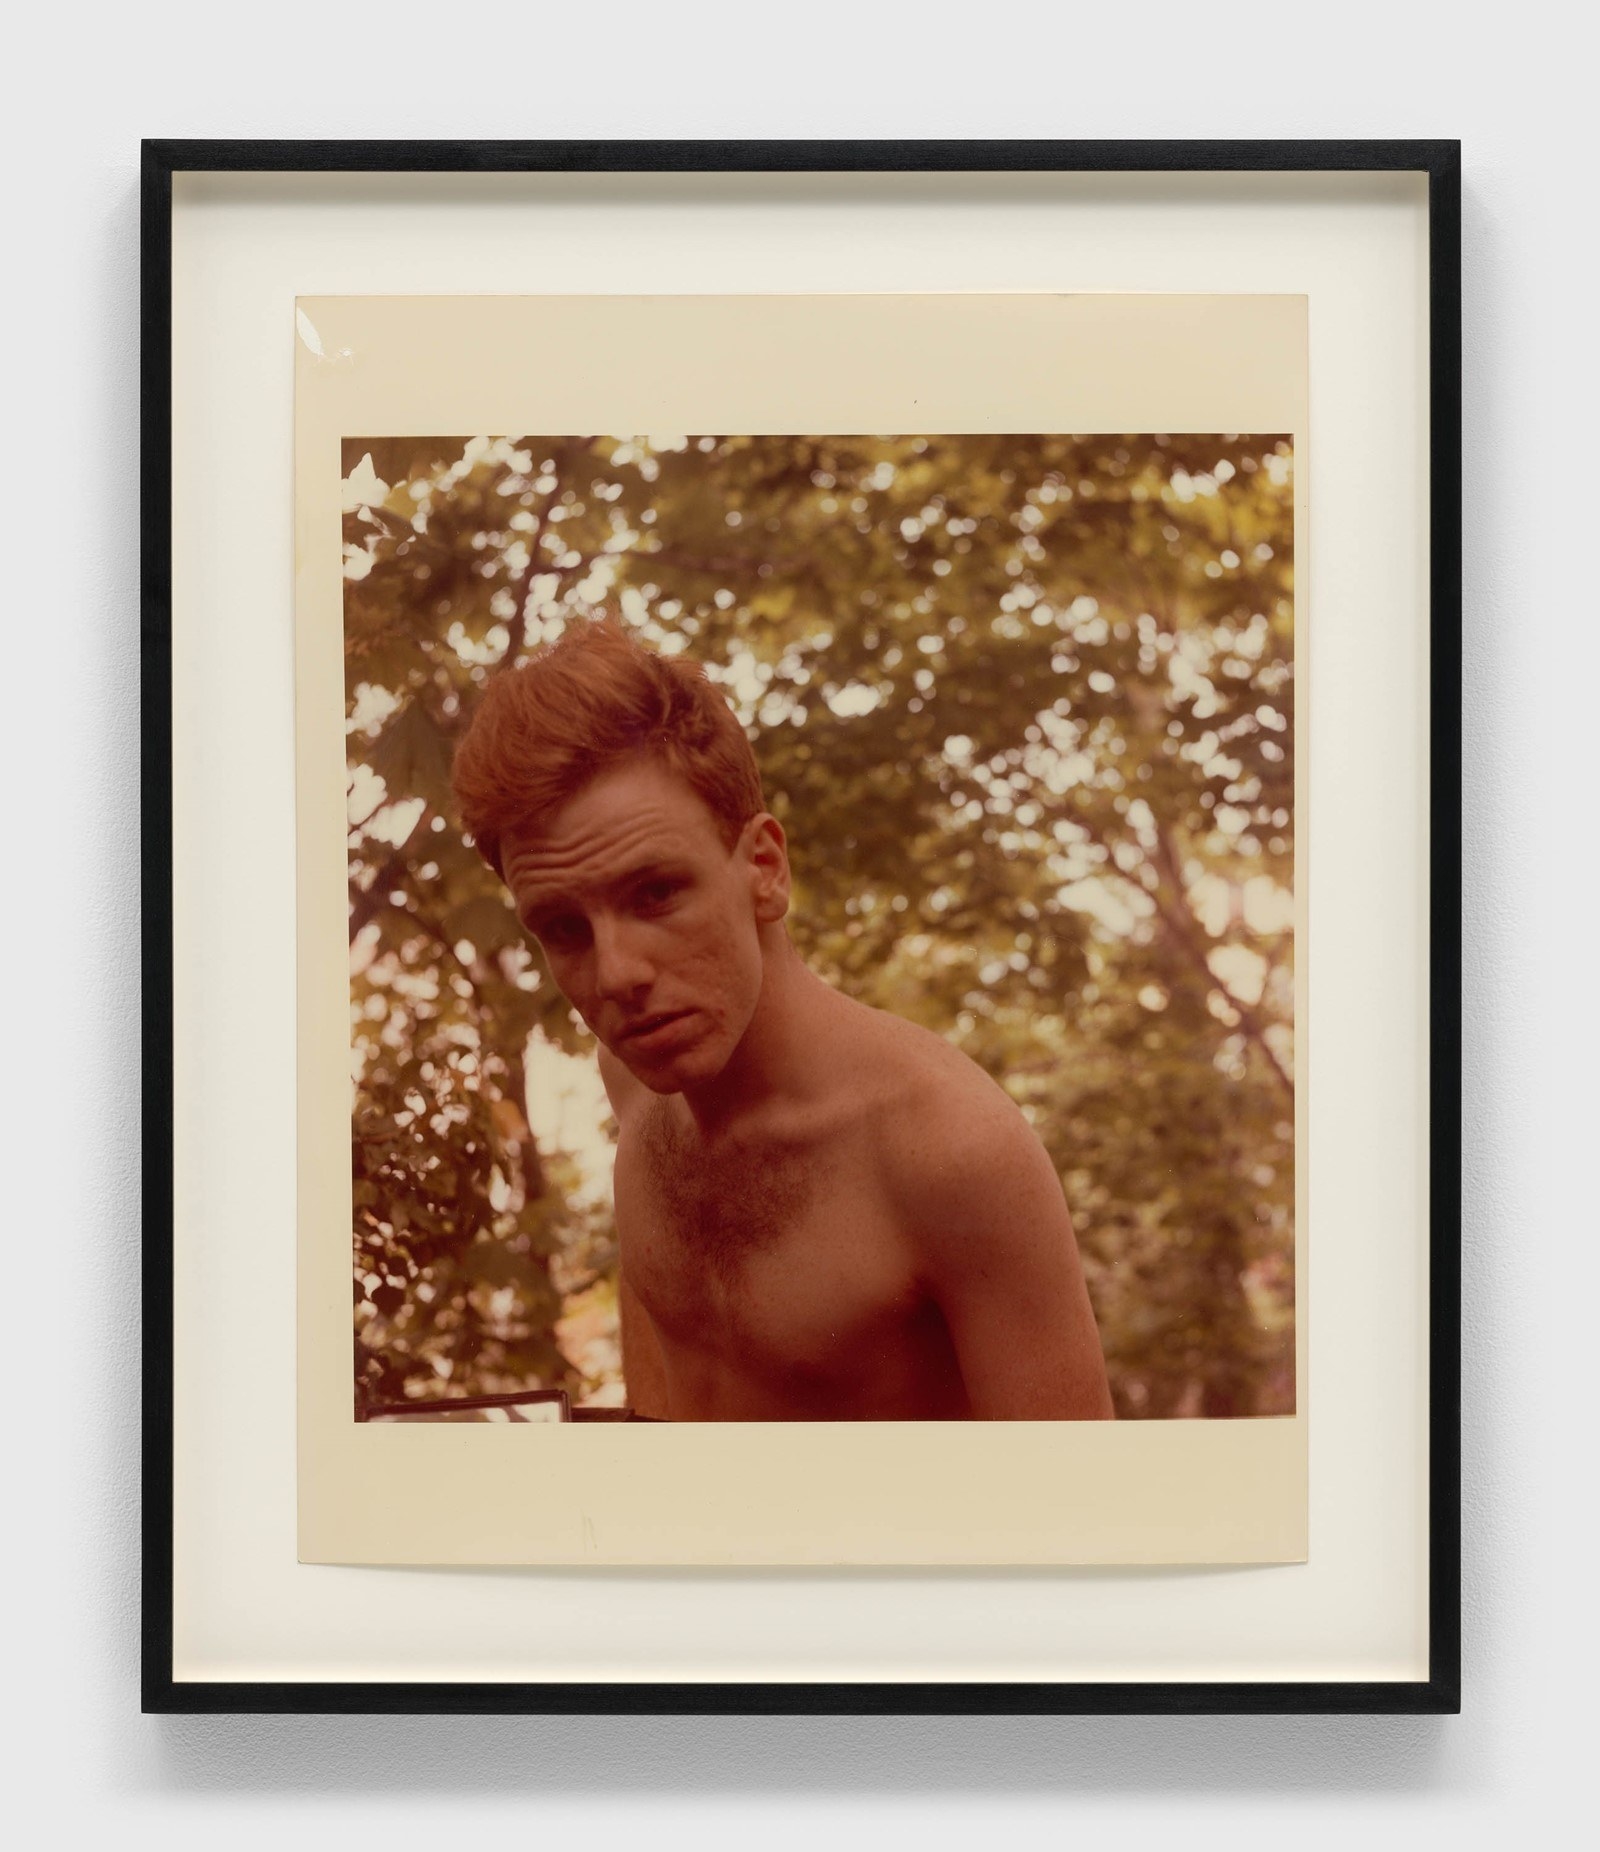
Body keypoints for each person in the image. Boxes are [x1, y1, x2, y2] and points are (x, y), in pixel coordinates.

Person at [452, 618, 1113, 1422]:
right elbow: (664, 1383)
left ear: (763, 868)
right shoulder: (636, 1079)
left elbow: (1066, 1516)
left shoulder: (948, 1152)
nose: (617, 974)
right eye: (563, 928)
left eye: (656, 893)